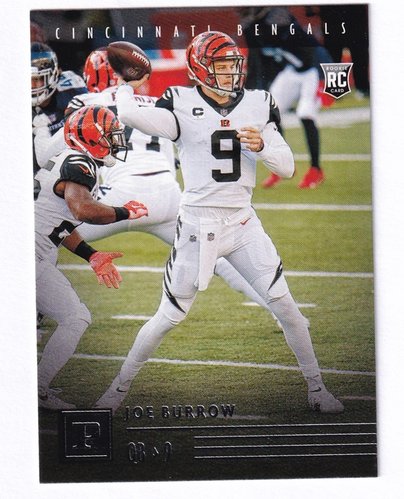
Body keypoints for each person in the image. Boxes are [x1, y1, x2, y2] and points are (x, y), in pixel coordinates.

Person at [95, 31, 344, 415]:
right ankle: (116, 391)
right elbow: (128, 114)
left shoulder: (259, 103)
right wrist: (127, 85)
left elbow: (288, 167)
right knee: (168, 317)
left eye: (233, 65)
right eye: (222, 66)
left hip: (243, 223)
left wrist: (263, 146)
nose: (231, 73)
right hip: (197, 226)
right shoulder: (180, 102)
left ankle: (317, 389)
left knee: (287, 309)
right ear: (200, 69)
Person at [35, 48, 298, 318]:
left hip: (120, 195)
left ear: (93, 77)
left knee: (45, 233)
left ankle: (37, 312)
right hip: (168, 196)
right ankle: (282, 314)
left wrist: (41, 126)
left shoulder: (85, 102)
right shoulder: (155, 102)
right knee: (219, 259)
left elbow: (45, 155)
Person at [35, 104, 148, 410]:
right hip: (28, 256)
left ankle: (35, 388)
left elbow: (58, 224)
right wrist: (125, 212)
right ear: (91, 137)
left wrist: (92, 255)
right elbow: (82, 209)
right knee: (73, 318)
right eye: (110, 135)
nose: (116, 141)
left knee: (71, 318)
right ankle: (34, 389)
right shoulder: (78, 162)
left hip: (32, 252)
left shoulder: (69, 159)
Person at [259, 8, 331, 189]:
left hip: (310, 73)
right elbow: (266, 64)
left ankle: (316, 169)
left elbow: (320, 54)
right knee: (269, 112)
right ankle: (279, 166)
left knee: (306, 114)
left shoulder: (294, 32)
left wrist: (326, 84)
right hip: (290, 72)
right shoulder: (260, 33)